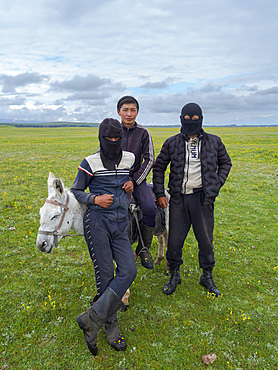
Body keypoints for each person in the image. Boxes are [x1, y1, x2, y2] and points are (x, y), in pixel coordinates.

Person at [71, 118, 137, 356]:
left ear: (121, 138)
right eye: (107, 138)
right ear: (100, 137)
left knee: (129, 270)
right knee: (106, 275)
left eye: (116, 138)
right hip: (97, 222)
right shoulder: (90, 162)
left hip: (121, 223)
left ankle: (91, 318)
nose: (112, 142)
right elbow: (76, 190)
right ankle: (111, 325)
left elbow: (129, 179)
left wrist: (130, 184)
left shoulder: (129, 158)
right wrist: (94, 199)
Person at [153, 103, 232, 297]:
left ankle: (207, 276)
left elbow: (226, 163)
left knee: (205, 240)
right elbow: (159, 167)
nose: (190, 122)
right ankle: (174, 275)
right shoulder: (171, 143)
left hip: (203, 199)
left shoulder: (215, 142)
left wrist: (216, 184)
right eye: (187, 119)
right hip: (179, 199)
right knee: (174, 241)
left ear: (201, 119)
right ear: (181, 118)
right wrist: (160, 194)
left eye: (195, 119)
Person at [117, 95, 156, 269]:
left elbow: (149, 160)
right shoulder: (112, 131)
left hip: (138, 180)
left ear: (137, 112)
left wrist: (134, 180)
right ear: (118, 111)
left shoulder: (143, 133)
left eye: (133, 110)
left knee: (150, 207)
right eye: (125, 110)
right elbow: (101, 154)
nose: (129, 114)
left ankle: (143, 248)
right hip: (115, 179)